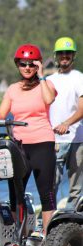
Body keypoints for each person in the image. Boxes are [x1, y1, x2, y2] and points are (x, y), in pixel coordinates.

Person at [0, 44, 57, 246]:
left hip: (43, 143)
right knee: (16, 192)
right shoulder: (13, 89)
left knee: (46, 193)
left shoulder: (46, 84)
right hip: (19, 146)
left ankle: (49, 240)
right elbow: (2, 113)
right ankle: (19, 236)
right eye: (23, 64)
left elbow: (49, 100)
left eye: (31, 64)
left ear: (37, 65)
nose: (27, 67)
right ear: (17, 65)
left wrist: (42, 75)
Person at [47, 37, 83, 209]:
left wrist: (67, 123)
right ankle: (49, 220)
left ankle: (72, 222)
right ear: (56, 56)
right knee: (50, 185)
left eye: (68, 53)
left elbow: (82, 108)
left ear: (73, 55)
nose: (64, 56)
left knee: (76, 188)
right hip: (55, 142)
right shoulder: (49, 80)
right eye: (61, 53)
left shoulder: (79, 78)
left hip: (77, 140)